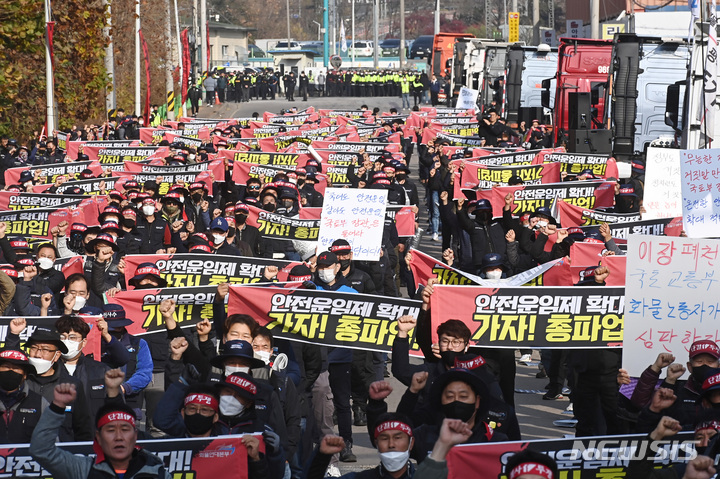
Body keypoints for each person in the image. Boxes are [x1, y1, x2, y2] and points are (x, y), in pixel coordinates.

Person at [30, 379, 172, 479]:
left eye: (125, 429)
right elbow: (41, 450)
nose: (118, 437)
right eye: (110, 430)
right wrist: (57, 407)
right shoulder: (83, 470)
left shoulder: (157, 473)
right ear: (98, 437)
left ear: (135, 435)